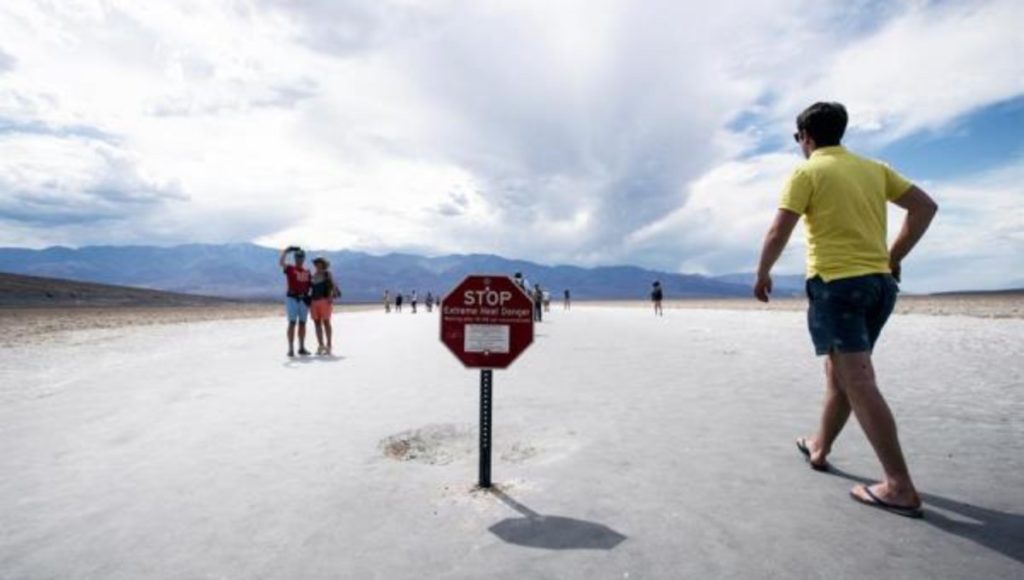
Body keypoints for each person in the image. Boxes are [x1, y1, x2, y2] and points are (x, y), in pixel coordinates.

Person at [754, 102, 938, 518]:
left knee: (857, 379)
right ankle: (820, 447)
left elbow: (779, 228)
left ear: (806, 137)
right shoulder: (874, 168)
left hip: (837, 286)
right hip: (879, 286)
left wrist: (763, 272)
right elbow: (925, 207)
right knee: (841, 374)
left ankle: (899, 486)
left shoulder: (807, 171)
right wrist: (893, 256)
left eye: (798, 139)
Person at [279, 246, 312, 357]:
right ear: (294, 258)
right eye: (297, 257)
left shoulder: (307, 272)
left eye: (301, 257)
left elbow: (311, 286)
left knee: (302, 323)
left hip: (303, 300)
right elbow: (281, 263)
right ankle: (290, 349)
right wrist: (286, 251)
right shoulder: (290, 268)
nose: (299, 259)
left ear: (304, 258)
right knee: (292, 323)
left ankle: (301, 348)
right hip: (292, 299)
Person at [310, 257, 341, 355]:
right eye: (316, 263)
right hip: (314, 301)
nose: (318, 265)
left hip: (324, 301)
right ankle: (321, 345)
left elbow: (333, 286)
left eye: (320, 263)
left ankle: (329, 345)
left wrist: (331, 296)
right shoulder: (313, 275)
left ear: (323, 264)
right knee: (317, 324)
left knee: (326, 322)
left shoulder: (327, 274)